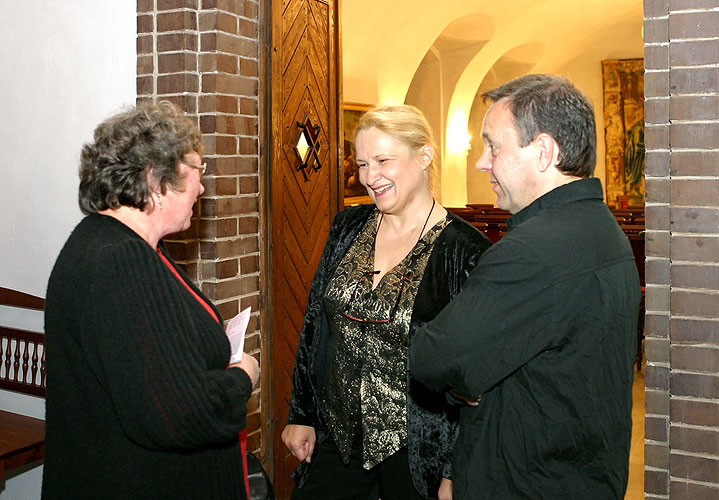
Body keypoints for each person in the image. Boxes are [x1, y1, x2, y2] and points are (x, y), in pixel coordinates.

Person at [409, 74, 641, 499]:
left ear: (543, 152)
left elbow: (433, 357)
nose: (482, 162)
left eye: (493, 146)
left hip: (527, 479)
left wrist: (465, 380)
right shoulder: (600, 227)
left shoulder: (532, 251)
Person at [42, 101, 260, 499]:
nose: (201, 186)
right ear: (155, 178)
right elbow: (177, 414)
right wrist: (242, 377)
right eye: (197, 169)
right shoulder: (119, 260)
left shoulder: (112, 243)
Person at [282, 104, 491, 500]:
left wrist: (454, 469)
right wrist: (302, 414)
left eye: (382, 160)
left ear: (424, 156)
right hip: (337, 440)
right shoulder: (348, 226)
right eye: (362, 163)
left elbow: (473, 377)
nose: (368, 177)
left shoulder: (464, 251)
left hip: (418, 453)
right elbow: (314, 324)